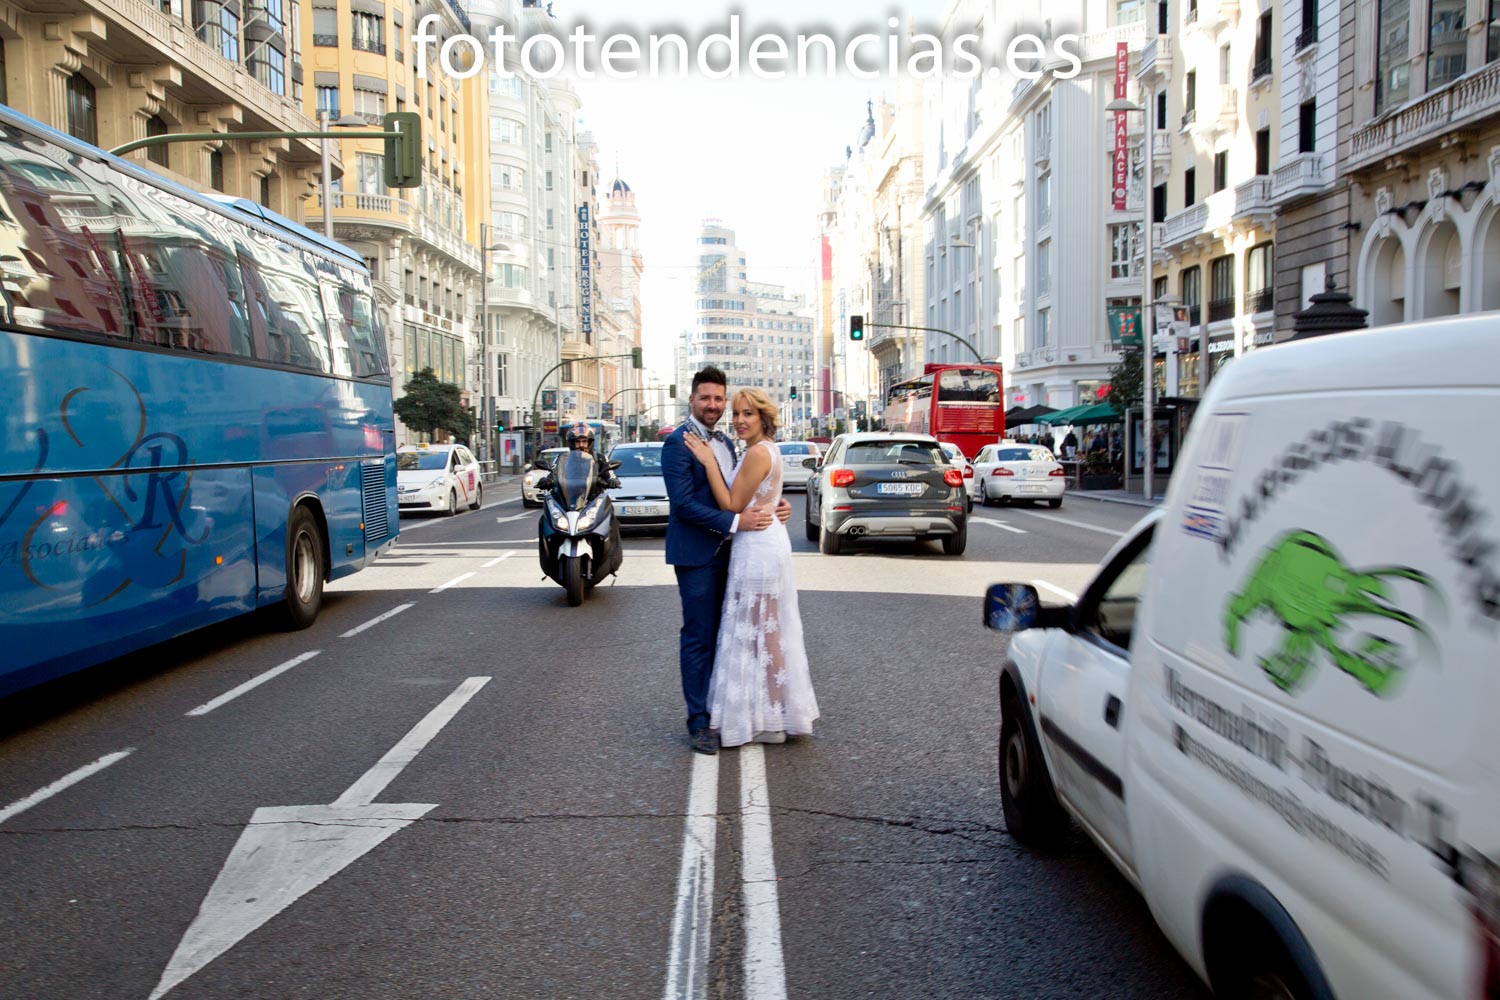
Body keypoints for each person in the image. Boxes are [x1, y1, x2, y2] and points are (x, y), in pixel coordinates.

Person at [662, 367, 792, 755]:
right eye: (706, 398)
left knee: (734, 636)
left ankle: (738, 712)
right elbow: (684, 505)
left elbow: (745, 489)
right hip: (698, 555)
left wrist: (774, 505)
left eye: (719, 399)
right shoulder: (677, 443)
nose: (714, 405)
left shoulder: (728, 443)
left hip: (735, 553)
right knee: (700, 637)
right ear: (691, 399)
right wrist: (737, 521)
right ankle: (699, 723)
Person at [682, 388, 818, 747]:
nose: (739, 420)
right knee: (761, 632)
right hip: (760, 541)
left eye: (748, 414)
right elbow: (764, 495)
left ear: (763, 417)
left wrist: (709, 462)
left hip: (758, 547)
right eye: (737, 414)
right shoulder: (762, 449)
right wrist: (777, 505)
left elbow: (732, 503)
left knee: (765, 634)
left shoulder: (758, 452)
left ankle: (774, 717)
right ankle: (771, 713)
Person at [563, 421, 618, 497]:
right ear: (572, 443)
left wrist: (612, 481)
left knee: (606, 501)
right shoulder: (563, 459)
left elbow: (610, 475)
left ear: (589, 442)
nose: (581, 445)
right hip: (568, 497)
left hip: (594, 497)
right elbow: (553, 474)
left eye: (584, 441)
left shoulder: (600, 458)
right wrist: (548, 480)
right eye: (577, 442)